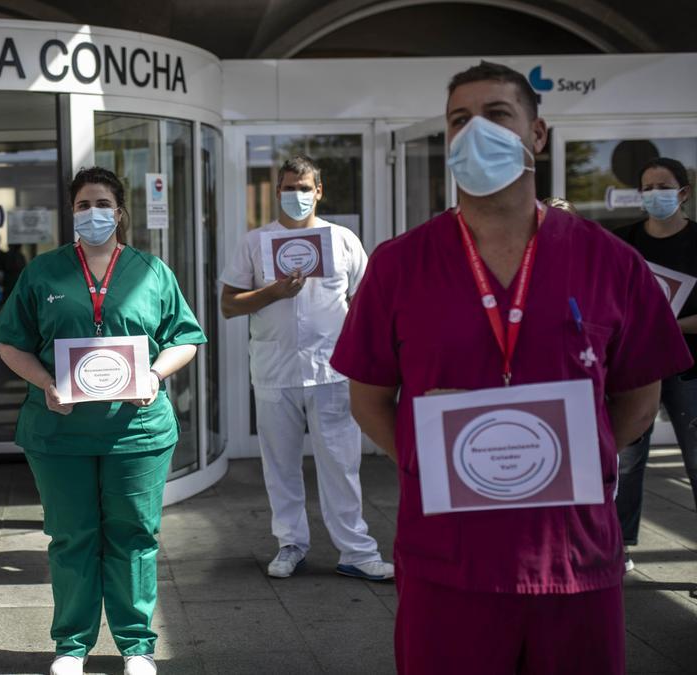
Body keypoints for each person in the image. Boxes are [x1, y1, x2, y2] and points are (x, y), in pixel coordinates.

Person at [330, 61, 691, 674]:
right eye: (459, 121)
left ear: (538, 134)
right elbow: (368, 399)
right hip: (447, 560)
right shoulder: (398, 266)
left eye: (496, 115)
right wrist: (431, 457)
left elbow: (639, 400)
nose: (476, 132)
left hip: (572, 558)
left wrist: (570, 454)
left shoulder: (610, 262)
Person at [0, 167, 205, 675]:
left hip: (137, 432)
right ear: (72, 212)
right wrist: (46, 383)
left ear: (120, 211)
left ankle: (136, 646)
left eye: (102, 203)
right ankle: (71, 645)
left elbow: (185, 339)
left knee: (134, 535)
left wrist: (153, 373)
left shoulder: (153, 272)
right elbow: (9, 344)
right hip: (59, 432)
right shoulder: (43, 273)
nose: (92, 214)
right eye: (83, 205)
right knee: (71, 537)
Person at [219, 155, 393, 581]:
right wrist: (275, 292)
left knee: (341, 464)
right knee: (280, 465)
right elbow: (228, 305)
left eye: (304, 187)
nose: (295, 195)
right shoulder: (255, 242)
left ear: (319, 191)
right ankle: (290, 543)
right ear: (277, 192)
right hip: (275, 372)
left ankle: (355, 550)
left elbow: (366, 303)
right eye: (288, 188)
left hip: (333, 371)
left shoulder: (343, 240)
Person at [614, 157, 697, 572]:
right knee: (626, 461)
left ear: (683, 193)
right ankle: (619, 546)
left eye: (662, 187)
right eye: (647, 187)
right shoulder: (622, 242)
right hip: (637, 367)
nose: (653, 195)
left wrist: (666, 327)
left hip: (689, 369)